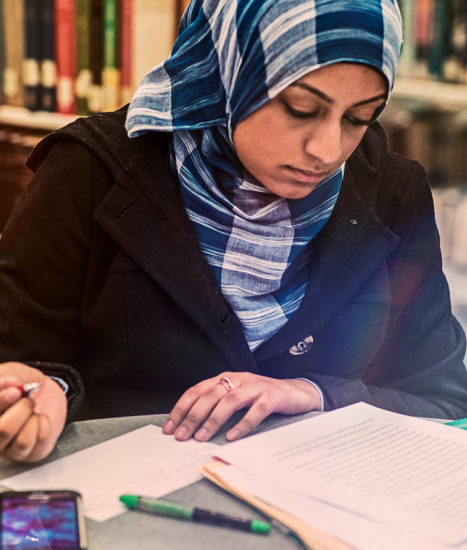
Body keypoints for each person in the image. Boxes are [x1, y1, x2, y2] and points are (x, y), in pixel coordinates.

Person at [0, 0, 466, 463]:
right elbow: (23, 361)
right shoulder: (88, 172)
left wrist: (317, 394)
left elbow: (443, 402)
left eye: (359, 117)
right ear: (229, 69)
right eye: (301, 108)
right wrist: (38, 391)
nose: (327, 150)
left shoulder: (393, 191)